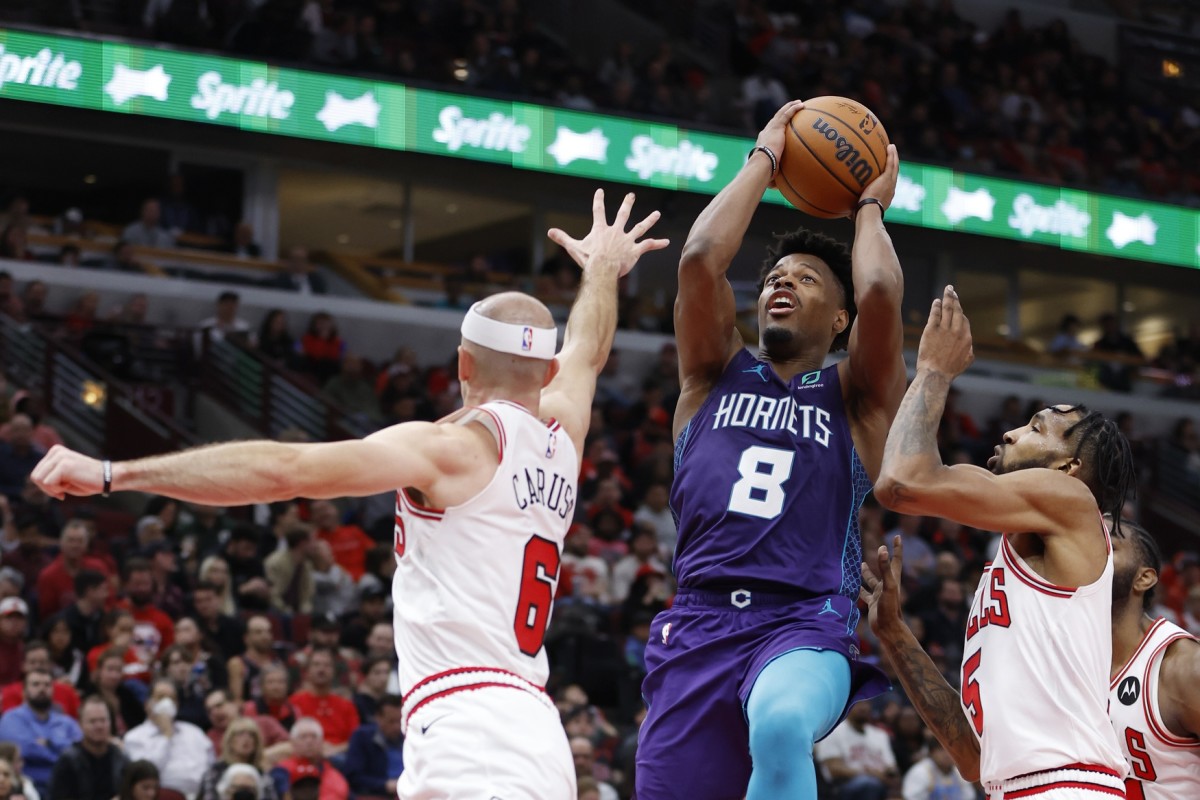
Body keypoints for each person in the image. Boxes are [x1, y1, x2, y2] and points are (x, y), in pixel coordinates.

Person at [33, 188, 665, 800]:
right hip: (535, 727)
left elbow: (286, 471)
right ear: (547, 372)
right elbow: (589, 348)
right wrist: (604, 270)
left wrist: (117, 473)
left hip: (469, 730)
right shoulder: (564, 428)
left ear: (463, 365)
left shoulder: (451, 449)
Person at [636, 100, 906, 799]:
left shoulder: (857, 398)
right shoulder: (710, 375)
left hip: (804, 619)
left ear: (839, 319)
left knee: (783, 722)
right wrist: (764, 155)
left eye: (807, 278)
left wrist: (869, 210)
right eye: (776, 276)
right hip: (697, 621)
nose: (783, 281)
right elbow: (699, 260)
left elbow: (879, 289)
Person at [860, 285, 1136, 797]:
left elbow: (901, 483)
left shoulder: (1069, 498)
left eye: (1036, 428)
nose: (1010, 433)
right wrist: (895, 635)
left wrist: (935, 372)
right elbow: (971, 758)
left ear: (1069, 468)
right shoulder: (1014, 578)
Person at [1108, 519, 1200, 799]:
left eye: (1109, 547)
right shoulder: (1064, 657)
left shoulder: (1181, 667)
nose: (1089, 551)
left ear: (1143, 578)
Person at [123, 678, 215, 798]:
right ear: (147, 704)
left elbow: (211, 769)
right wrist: (166, 735)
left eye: (172, 698)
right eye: (161, 697)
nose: (167, 702)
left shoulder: (195, 733)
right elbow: (146, 774)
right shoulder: (134, 737)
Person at [0, 670, 82, 796]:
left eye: (47, 685)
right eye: (36, 684)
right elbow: (24, 750)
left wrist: (49, 743)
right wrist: (62, 755)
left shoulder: (67, 722)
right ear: (24, 691)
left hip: (67, 787)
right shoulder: (11, 718)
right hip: (28, 787)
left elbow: (80, 751)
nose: (42, 689)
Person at [48, 696, 131, 800]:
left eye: (103, 720)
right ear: (80, 724)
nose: (99, 726)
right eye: (93, 721)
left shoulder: (120, 758)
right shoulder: (68, 761)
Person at [815, 701, 898, 800]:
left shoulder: (880, 735)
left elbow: (892, 768)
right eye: (858, 703)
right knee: (868, 783)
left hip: (881, 784)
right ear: (847, 706)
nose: (863, 708)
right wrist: (869, 774)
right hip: (844, 786)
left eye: (866, 703)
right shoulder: (833, 731)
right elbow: (833, 769)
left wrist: (889, 774)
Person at [287, 646, 359, 752]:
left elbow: (356, 741)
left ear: (334, 671)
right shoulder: (294, 702)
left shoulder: (346, 705)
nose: (321, 669)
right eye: (316, 665)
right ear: (307, 671)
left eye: (327, 665)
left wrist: (336, 749)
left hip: (339, 755)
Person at [269, 718, 348, 800]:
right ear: (293, 742)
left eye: (314, 736)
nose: (309, 741)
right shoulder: (282, 770)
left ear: (322, 742)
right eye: (303, 737)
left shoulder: (335, 767)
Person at [343, 694, 405, 798]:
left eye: (399, 721)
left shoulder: (408, 737)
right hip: (377, 795)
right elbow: (353, 777)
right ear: (378, 718)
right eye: (391, 721)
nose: (396, 726)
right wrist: (384, 785)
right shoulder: (362, 737)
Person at [901, 737, 976, 800]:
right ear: (932, 752)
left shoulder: (959, 772)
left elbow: (969, 797)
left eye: (950, 750)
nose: (947, 755)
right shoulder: (920, 772)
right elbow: (911, 797)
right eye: (941, 750)